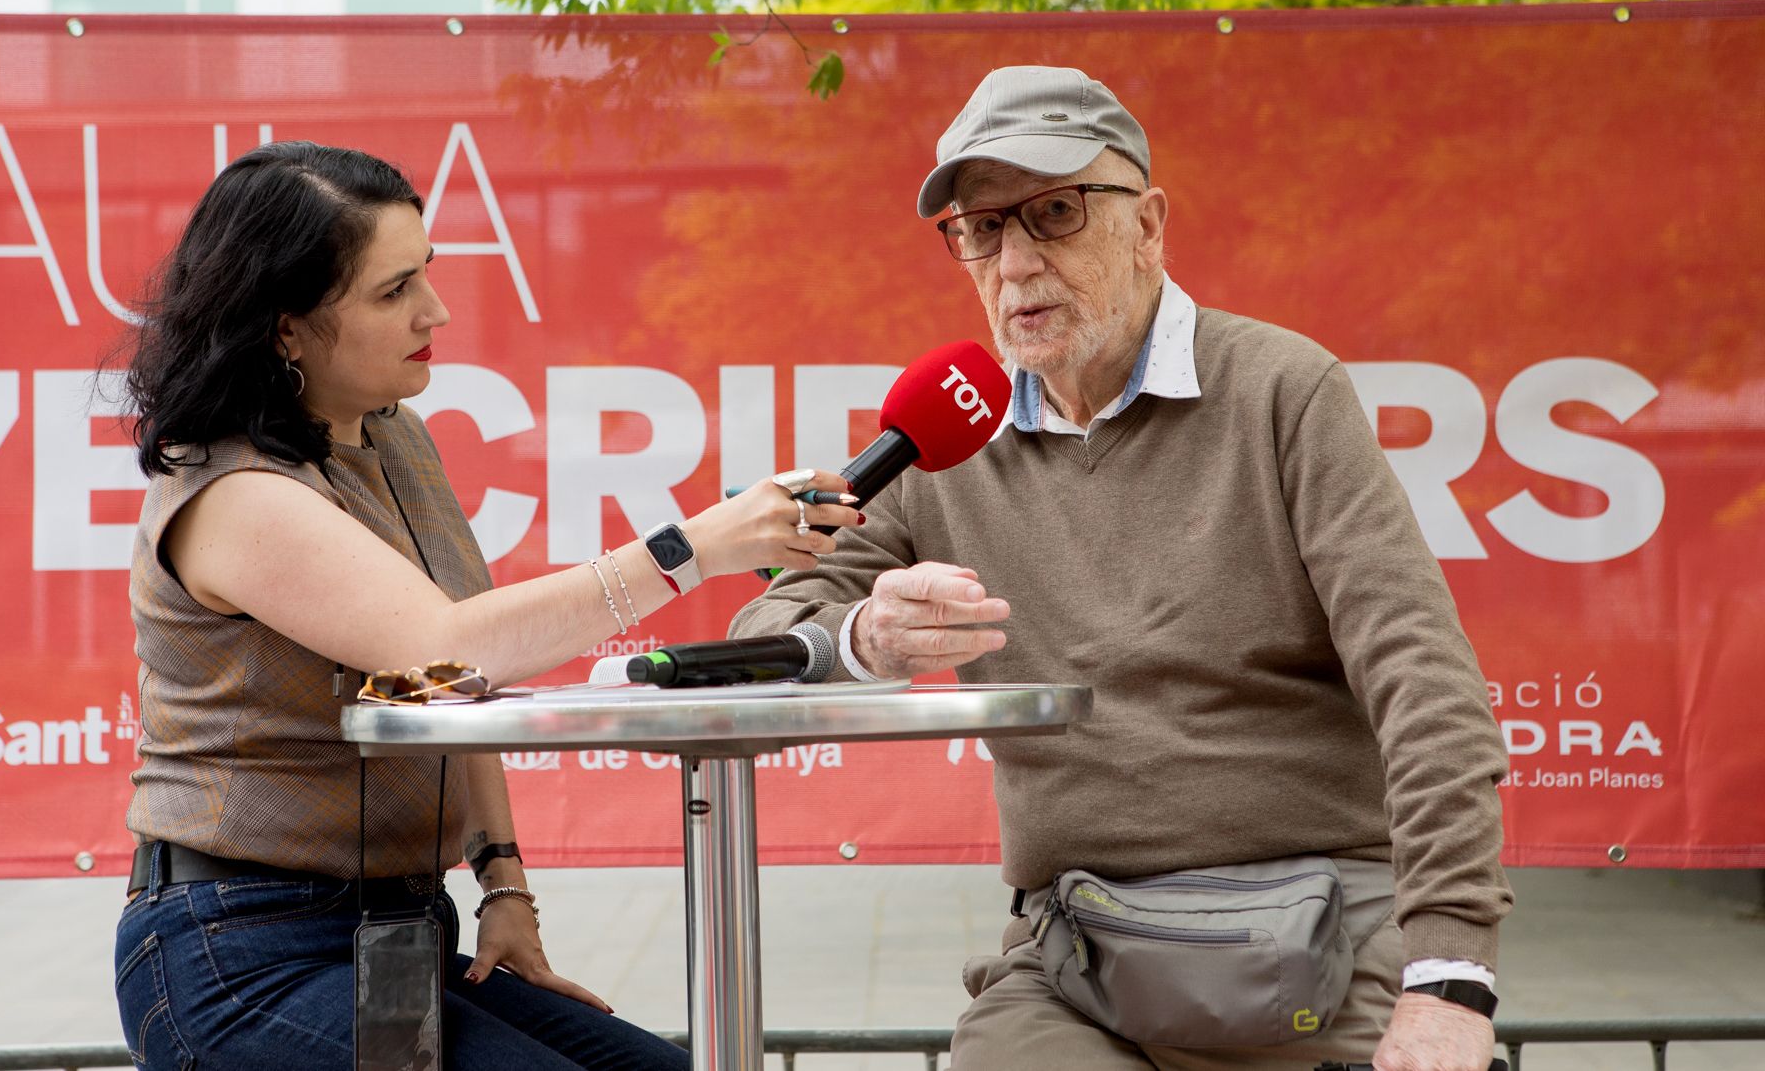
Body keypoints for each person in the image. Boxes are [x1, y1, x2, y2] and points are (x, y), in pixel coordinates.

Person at [730, 66, 1512, 1071]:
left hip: (1322, 933)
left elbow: (1422, 677)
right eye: (980, 228)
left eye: (1051, 212)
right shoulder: (941, 447)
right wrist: (861, 634)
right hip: (1078, 963)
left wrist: (1449, 973)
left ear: (1146, 225)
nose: (1012, 262)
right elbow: (757, 644)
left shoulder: (1282, 391)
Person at [114, 141, 858, 1071]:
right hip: (239, 954)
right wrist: (691, 550)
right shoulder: (232, 492)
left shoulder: (398, 437)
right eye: (393, 293)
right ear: (286, 329)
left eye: (426, 272)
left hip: (397, 928)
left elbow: (459, 685)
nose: (436, 311)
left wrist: (503, 883)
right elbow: (442, 645)